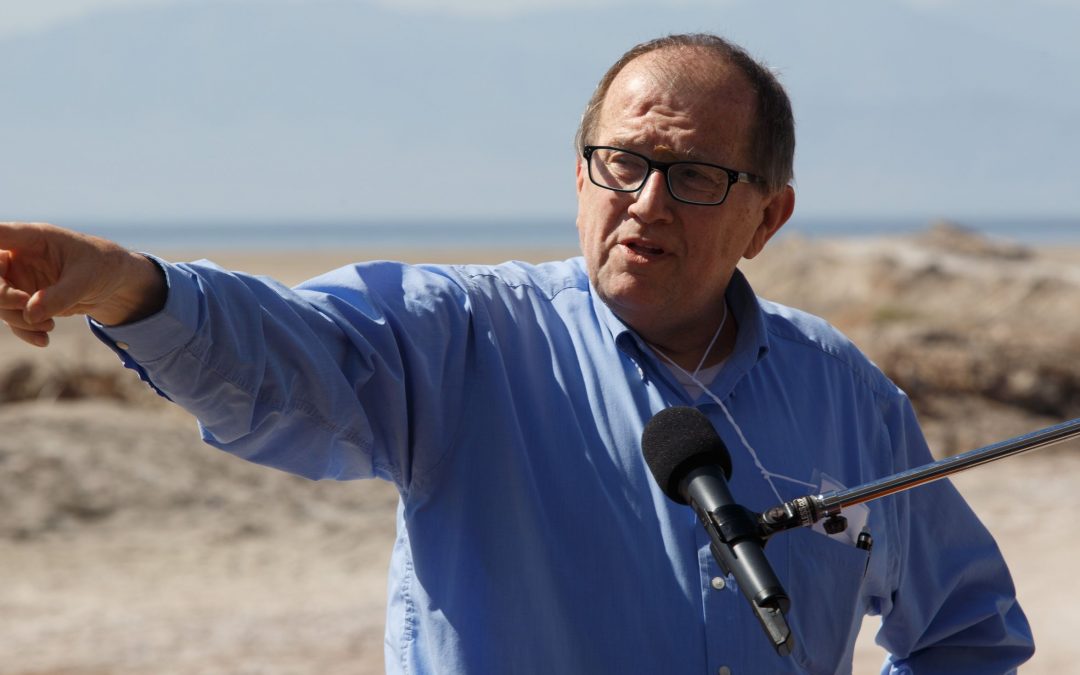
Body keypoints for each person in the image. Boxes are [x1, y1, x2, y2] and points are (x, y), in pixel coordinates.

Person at [0, 33, 1033, 674]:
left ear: (769, 216)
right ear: (580, 174)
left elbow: (966, 629)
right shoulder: (466, 338)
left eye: (695, 175)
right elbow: (288, 355)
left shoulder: (846, 395)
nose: (646, 203)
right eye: (622, 163)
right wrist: (131, 288)